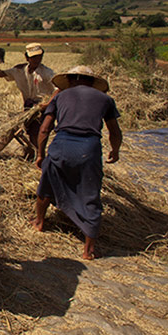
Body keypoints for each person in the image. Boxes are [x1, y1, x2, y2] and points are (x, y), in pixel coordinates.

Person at [33, 66, 122, 261]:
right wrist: (115, 150)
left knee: (46, 186)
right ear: (91, 81)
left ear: (71, 79)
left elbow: (45, 128)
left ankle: (39, 222)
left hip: (61, 145)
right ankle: (88, 250)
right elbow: (114, 131)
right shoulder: (105, 100)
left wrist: (40, 154)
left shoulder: (59, 97)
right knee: (90, 194)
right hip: (88, 149)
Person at [0, 43, 56, 152]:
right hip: (29, 106)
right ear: (27, 57)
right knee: (31, 131)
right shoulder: (19, 71)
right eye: (33, 57)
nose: (37, 59)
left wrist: (48, 104)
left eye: (39, 56)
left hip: (44, 107)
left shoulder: (47, 73)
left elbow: (57, 88)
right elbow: (0, 73)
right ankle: (34, 153)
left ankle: (39, 154)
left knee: (40, 131)